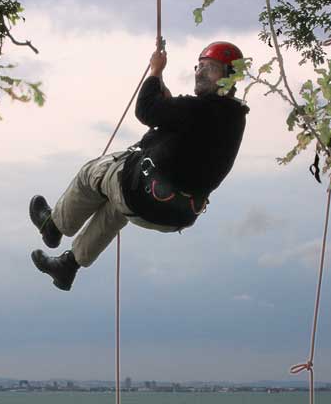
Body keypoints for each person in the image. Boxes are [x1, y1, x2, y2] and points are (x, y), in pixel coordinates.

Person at [29, 41, 249, 291]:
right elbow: (188, 132)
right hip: (175, 215)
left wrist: (155, 71)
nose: (200, 72)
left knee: (93, 172)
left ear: (229, 77)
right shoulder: (234, 118)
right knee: (116, 209)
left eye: (210, 67)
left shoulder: (199, 109)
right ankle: (68, 267)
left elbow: (146, 110)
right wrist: (169, 106)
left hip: (144, 194)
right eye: (200, 66)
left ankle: (54, 225)